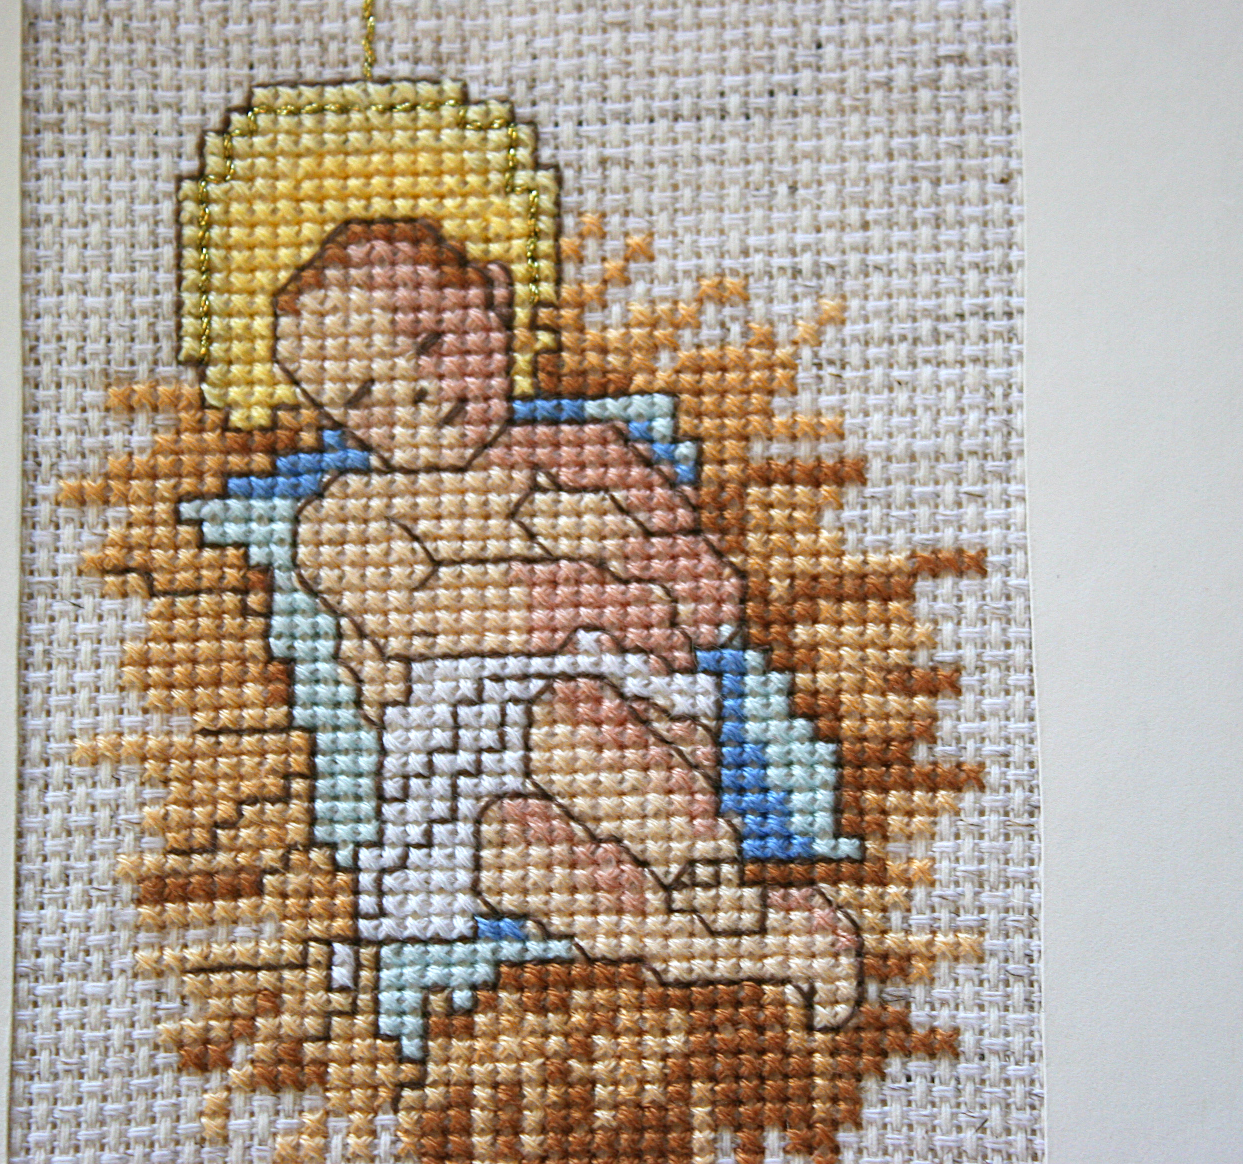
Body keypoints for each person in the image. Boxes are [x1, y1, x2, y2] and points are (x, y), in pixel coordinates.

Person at [279, 219, 859, 1031]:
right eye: (365, 396)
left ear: (494, 300)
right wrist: (595, 582)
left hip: (627, 719)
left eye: (432, 341)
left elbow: (710, 598)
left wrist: (630, 560)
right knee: (508, 854)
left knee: (571, 720)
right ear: (334, 418)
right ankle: (722, 947)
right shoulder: (350, 513)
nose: (416, 392)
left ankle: (709, 879)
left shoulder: (591, 451)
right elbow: (419, 615)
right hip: (457, 757)